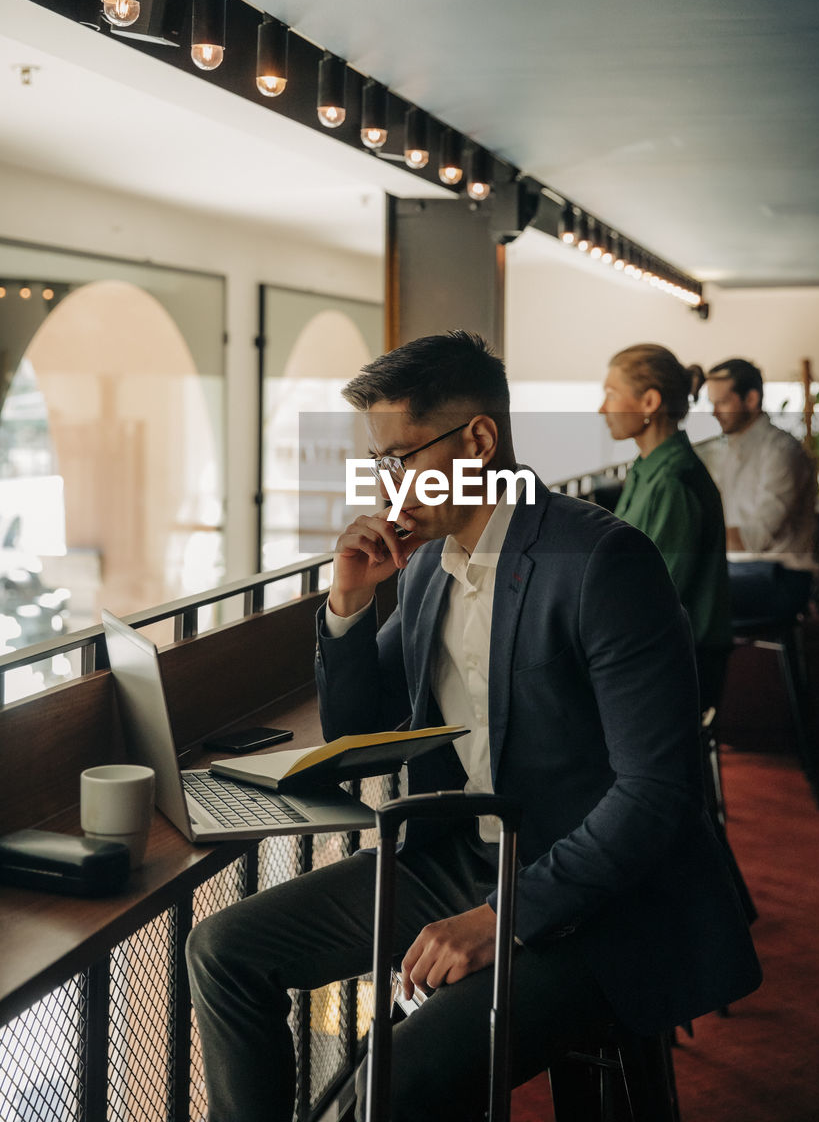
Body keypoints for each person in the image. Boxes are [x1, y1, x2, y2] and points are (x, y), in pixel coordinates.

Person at [187, 331, 760, 1122]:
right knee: (222, 951)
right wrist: (350, 603)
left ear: (479, 440)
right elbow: (360, 728)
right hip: (463, 857)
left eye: (399, 457)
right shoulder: (427, 562)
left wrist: (504, 916)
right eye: (378, 462)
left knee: (390, 1085)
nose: (386, 483)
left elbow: (657, 793)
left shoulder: (600, 563)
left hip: (600, 897)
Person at [598, 343, 730, 711]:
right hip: (657, 649)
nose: (602, 408)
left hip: (679, 660)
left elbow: (656, 596)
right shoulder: (647, 469)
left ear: (649, 402)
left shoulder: (672, 481)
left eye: (611, 395)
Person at [702, 358, 817, 625]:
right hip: (741, 570)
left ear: (751, 399)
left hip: (782, 578)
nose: (713, 412)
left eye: (721, 402)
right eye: (711, 403)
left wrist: (697, 534)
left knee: (686, 592)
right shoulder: (728, 449)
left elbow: (758, 536)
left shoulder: (781, 451)